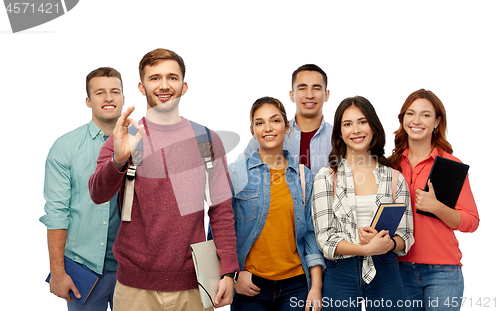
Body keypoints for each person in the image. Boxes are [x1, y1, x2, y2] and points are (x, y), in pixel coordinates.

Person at [88, 48, 239, 311]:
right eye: (155, 78)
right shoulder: (124, 136)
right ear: (141, 86)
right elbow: (98, 194)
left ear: (184, 85)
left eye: (172, 77)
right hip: (134, 288)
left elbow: (221, 210)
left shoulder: (206, 140)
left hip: (193, 284)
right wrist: (119, 160)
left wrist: (228, 270)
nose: (164, 85)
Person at [312, 96, 414, 311]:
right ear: (340, 133)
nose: (356, 130)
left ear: (374, 127)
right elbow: (325, 239)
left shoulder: (394, 178)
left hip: (385, 269)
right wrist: (365, 248)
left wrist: (388, 244)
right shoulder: (326, 178)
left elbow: (406, 235)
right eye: (347, 124)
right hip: (341, 273)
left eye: (362, 121)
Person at [40, 67, 125, 310]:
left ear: (123, 98)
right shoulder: (66, 147)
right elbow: (57, 212)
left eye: (115, 92)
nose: (108, 98)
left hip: (132, 271)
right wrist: (57, 271)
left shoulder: (142, 142)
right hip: (83, 269)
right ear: (88, 101)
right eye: (100, 92)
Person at [230, 96, 325, 311]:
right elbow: (221, 232)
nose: (267, 128)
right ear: (252, 130)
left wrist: (316, 287)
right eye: (259, 122)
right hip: (250, 285)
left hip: (296, 285)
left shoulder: (304, 177)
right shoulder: (236, 173)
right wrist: (234, 275)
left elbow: (312, 235)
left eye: (274, 120)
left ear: (287, 126)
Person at [389, 89, 479, 311]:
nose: (417, 121)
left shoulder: (450, 165)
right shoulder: (390, 165)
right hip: (398, 268)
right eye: (410, 113)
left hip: (442, 272)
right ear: (403, 119)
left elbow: (471, 221)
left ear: (437, 122)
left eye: (426, 115)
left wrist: (437, 207)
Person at [241, 64, 332, 174]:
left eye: (316, 88)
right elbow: (238, 174)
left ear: (326, 95)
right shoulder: (271, 134)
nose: (309, 95)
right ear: (292, 95)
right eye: (302, 88)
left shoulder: (338, 137)